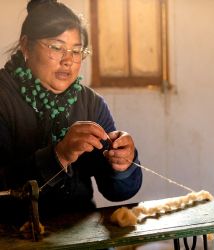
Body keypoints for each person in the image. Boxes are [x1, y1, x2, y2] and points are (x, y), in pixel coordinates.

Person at [0, 0, 142, 224]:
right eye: (56, 47)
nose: (68, 61)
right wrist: (59, 155)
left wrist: (123, 164)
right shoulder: (4, 97)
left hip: (80, 233)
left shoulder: (91, 104)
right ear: (26, 46)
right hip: (12, 236)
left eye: (77, 51)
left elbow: (117, 192)